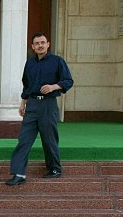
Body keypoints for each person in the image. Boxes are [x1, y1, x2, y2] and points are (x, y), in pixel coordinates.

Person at [5, 32, 74, 185]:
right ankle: (19, 174)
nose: (40, 45)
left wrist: (53, 87)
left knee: (49, 140)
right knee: (24, 139)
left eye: (43, 42)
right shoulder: (30, 63)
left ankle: (55, 169)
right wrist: (23, 103)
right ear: (32, 46)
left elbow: (68, 81)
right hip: (32, 105)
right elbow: (27, 85)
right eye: (37, 43)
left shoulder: (57, 61)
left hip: (48, 104)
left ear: (48, 44)